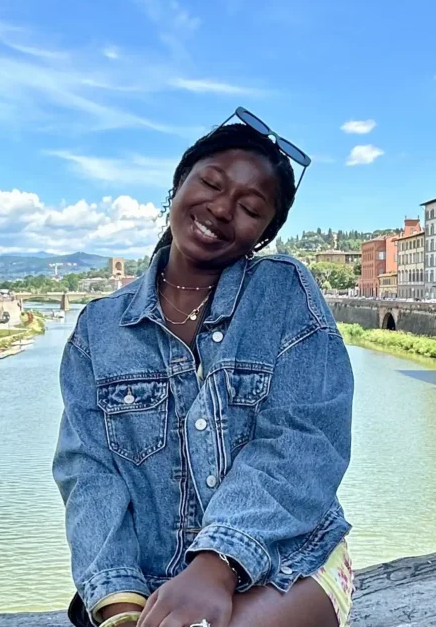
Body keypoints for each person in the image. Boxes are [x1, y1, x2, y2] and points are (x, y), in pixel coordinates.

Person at [54, 111, 355, 627]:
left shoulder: (283, 292)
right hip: (150, 578)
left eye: (250, 208)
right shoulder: (98, 329)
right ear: (178, 185)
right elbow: (91, 475)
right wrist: (120, 603)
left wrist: (218, 562)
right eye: (211, 183)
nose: (221, 208)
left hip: (290, 560)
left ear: (262, 234)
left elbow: (303, 441)